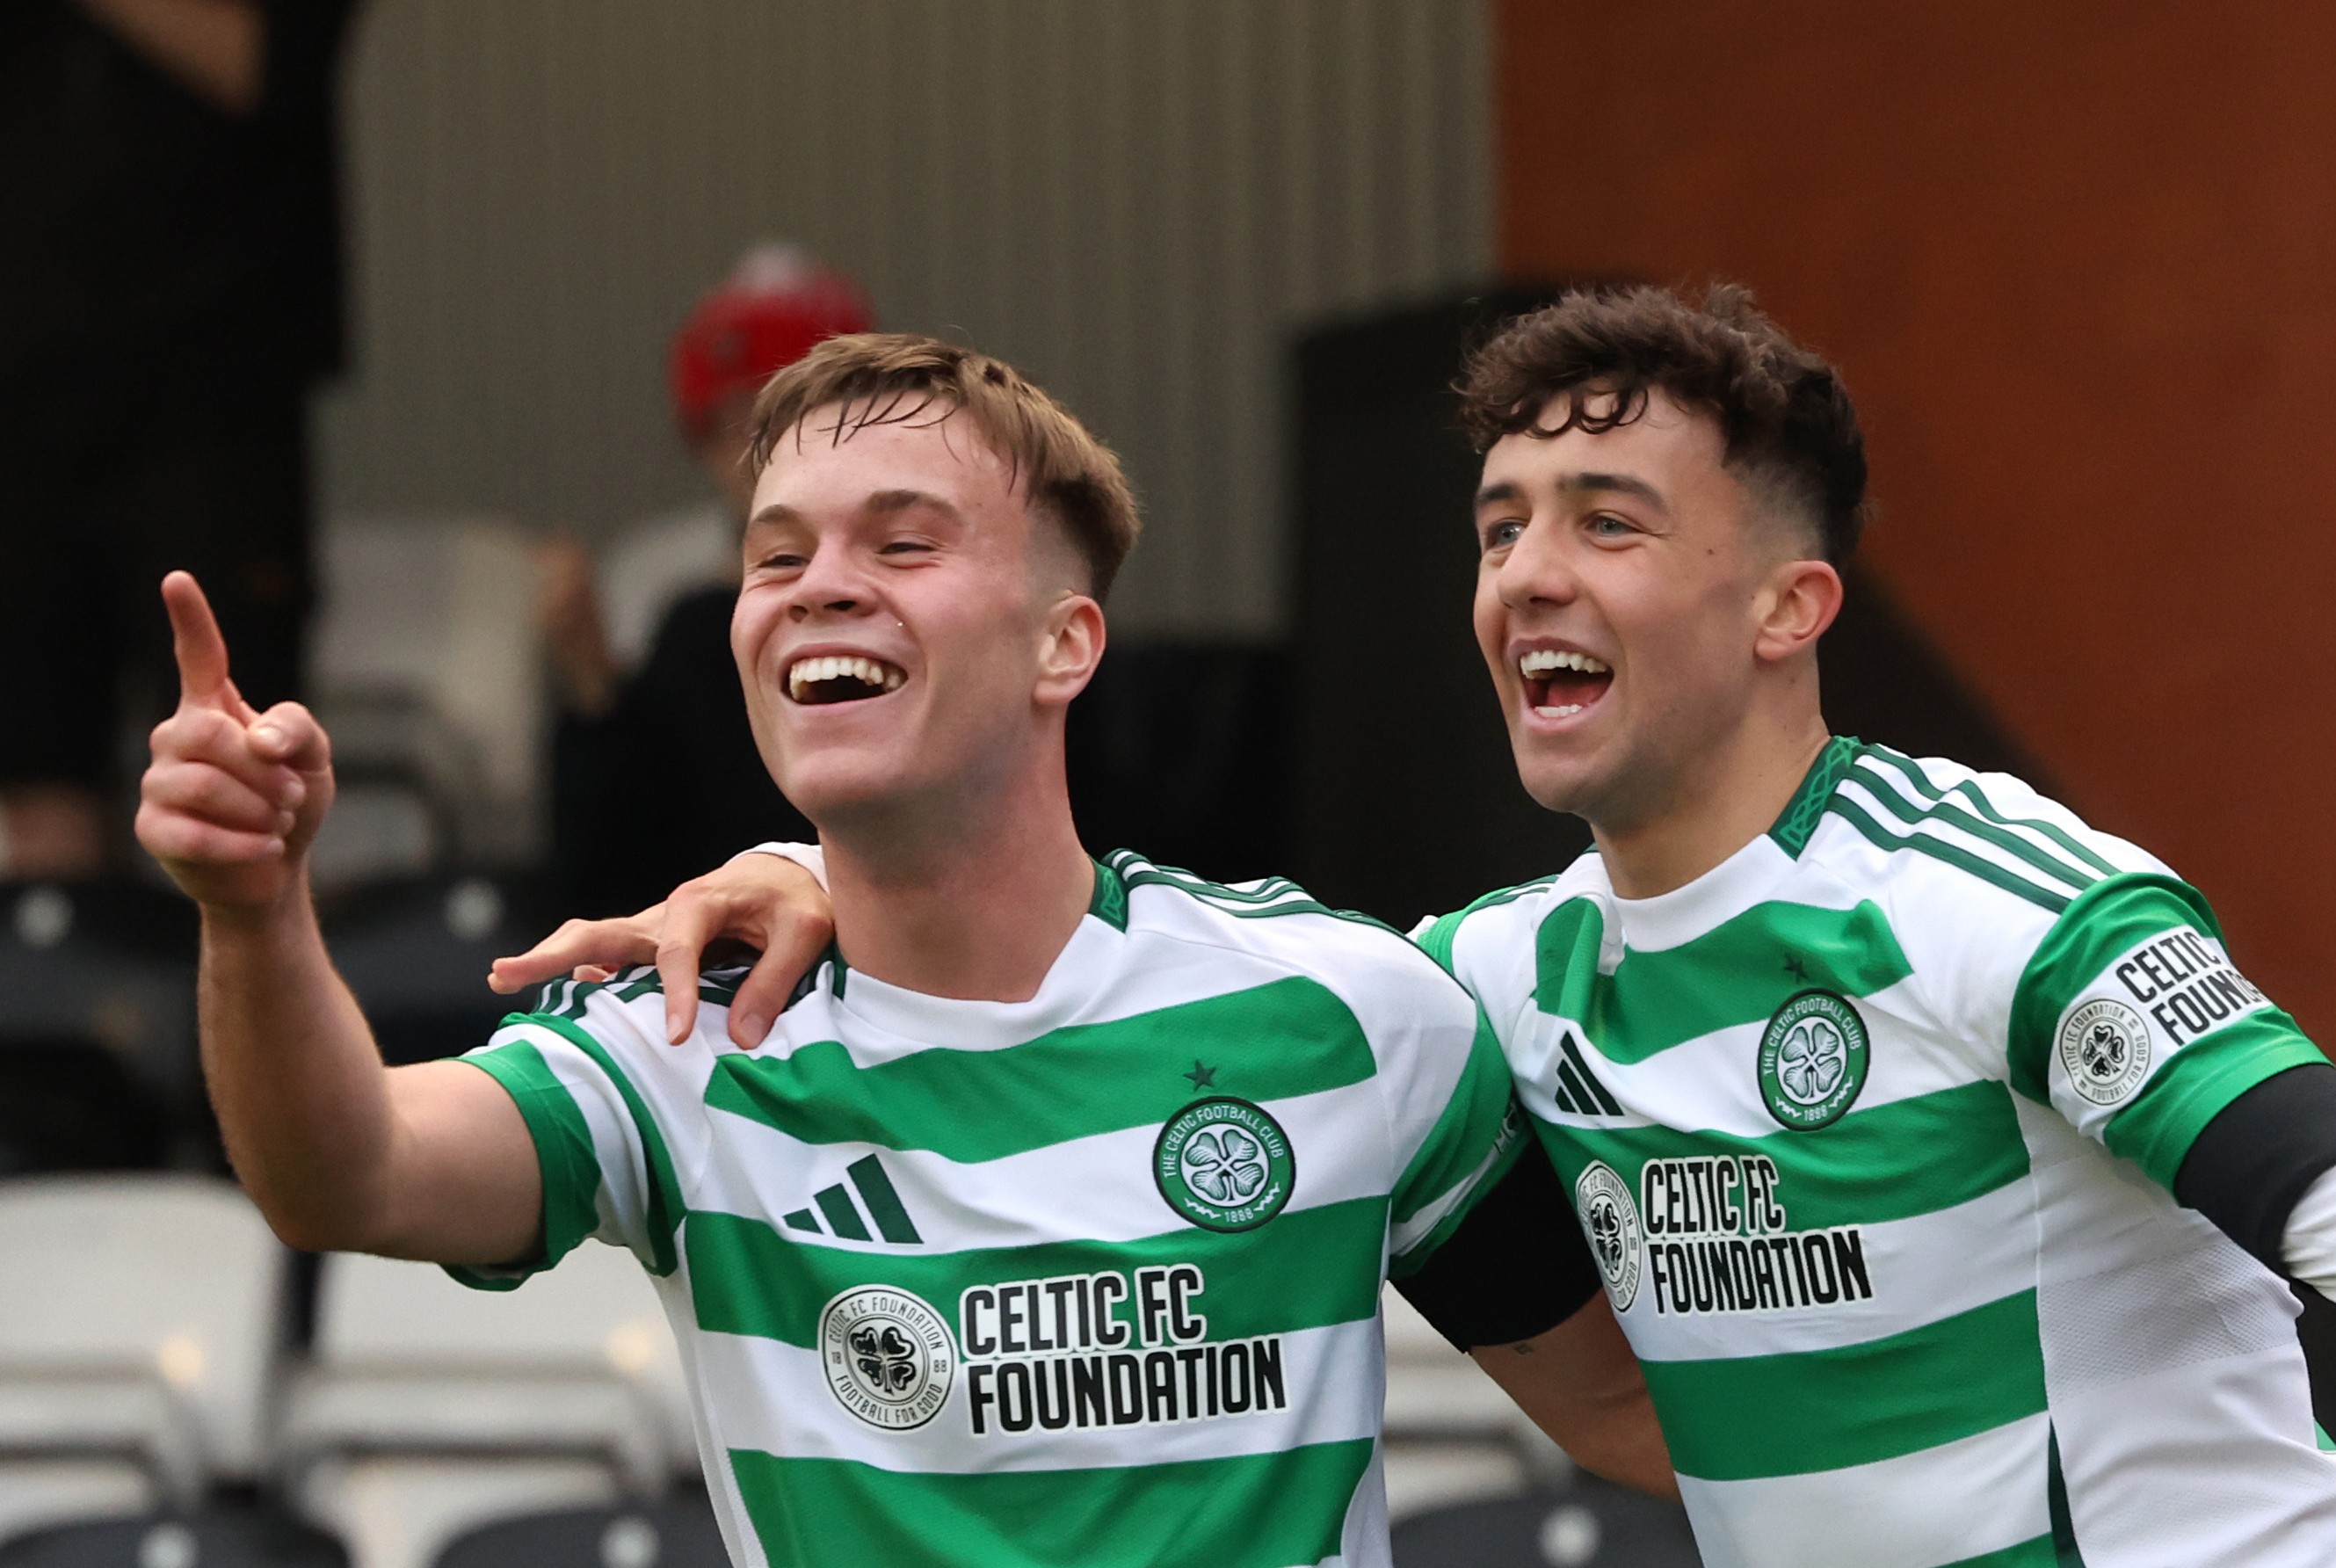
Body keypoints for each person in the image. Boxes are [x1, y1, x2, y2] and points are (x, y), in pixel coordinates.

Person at [525, 287, 2336, 1566]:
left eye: (1608, 521)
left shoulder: (1985, 896)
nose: (1530, 574)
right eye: (1498, 527)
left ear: (1792, 604)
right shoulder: (1487, 983)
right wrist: (827, 877)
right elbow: (1633, 1409)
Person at [139, 333, 1671, 1566]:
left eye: (904, 538)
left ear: (1063, 641)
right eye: (774, 552)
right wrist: (257, 914)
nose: (817, 583)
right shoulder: (682, 1030)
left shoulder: (1348, 1010)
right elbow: (344, 1174)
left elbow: (1631, 1408)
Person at [1, 0, 359, 877]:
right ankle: (57, 999)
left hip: (210, 379)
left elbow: (267, 66)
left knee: (232, 755)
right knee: (34, 756)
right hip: (25, 377)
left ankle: (243, 992)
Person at [540, 244, 870, 915]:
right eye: (728, 426)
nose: (753, 454)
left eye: (786, 418)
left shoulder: (939, 590)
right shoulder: (683, 615)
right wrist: (593, 689)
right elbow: (613, 883)